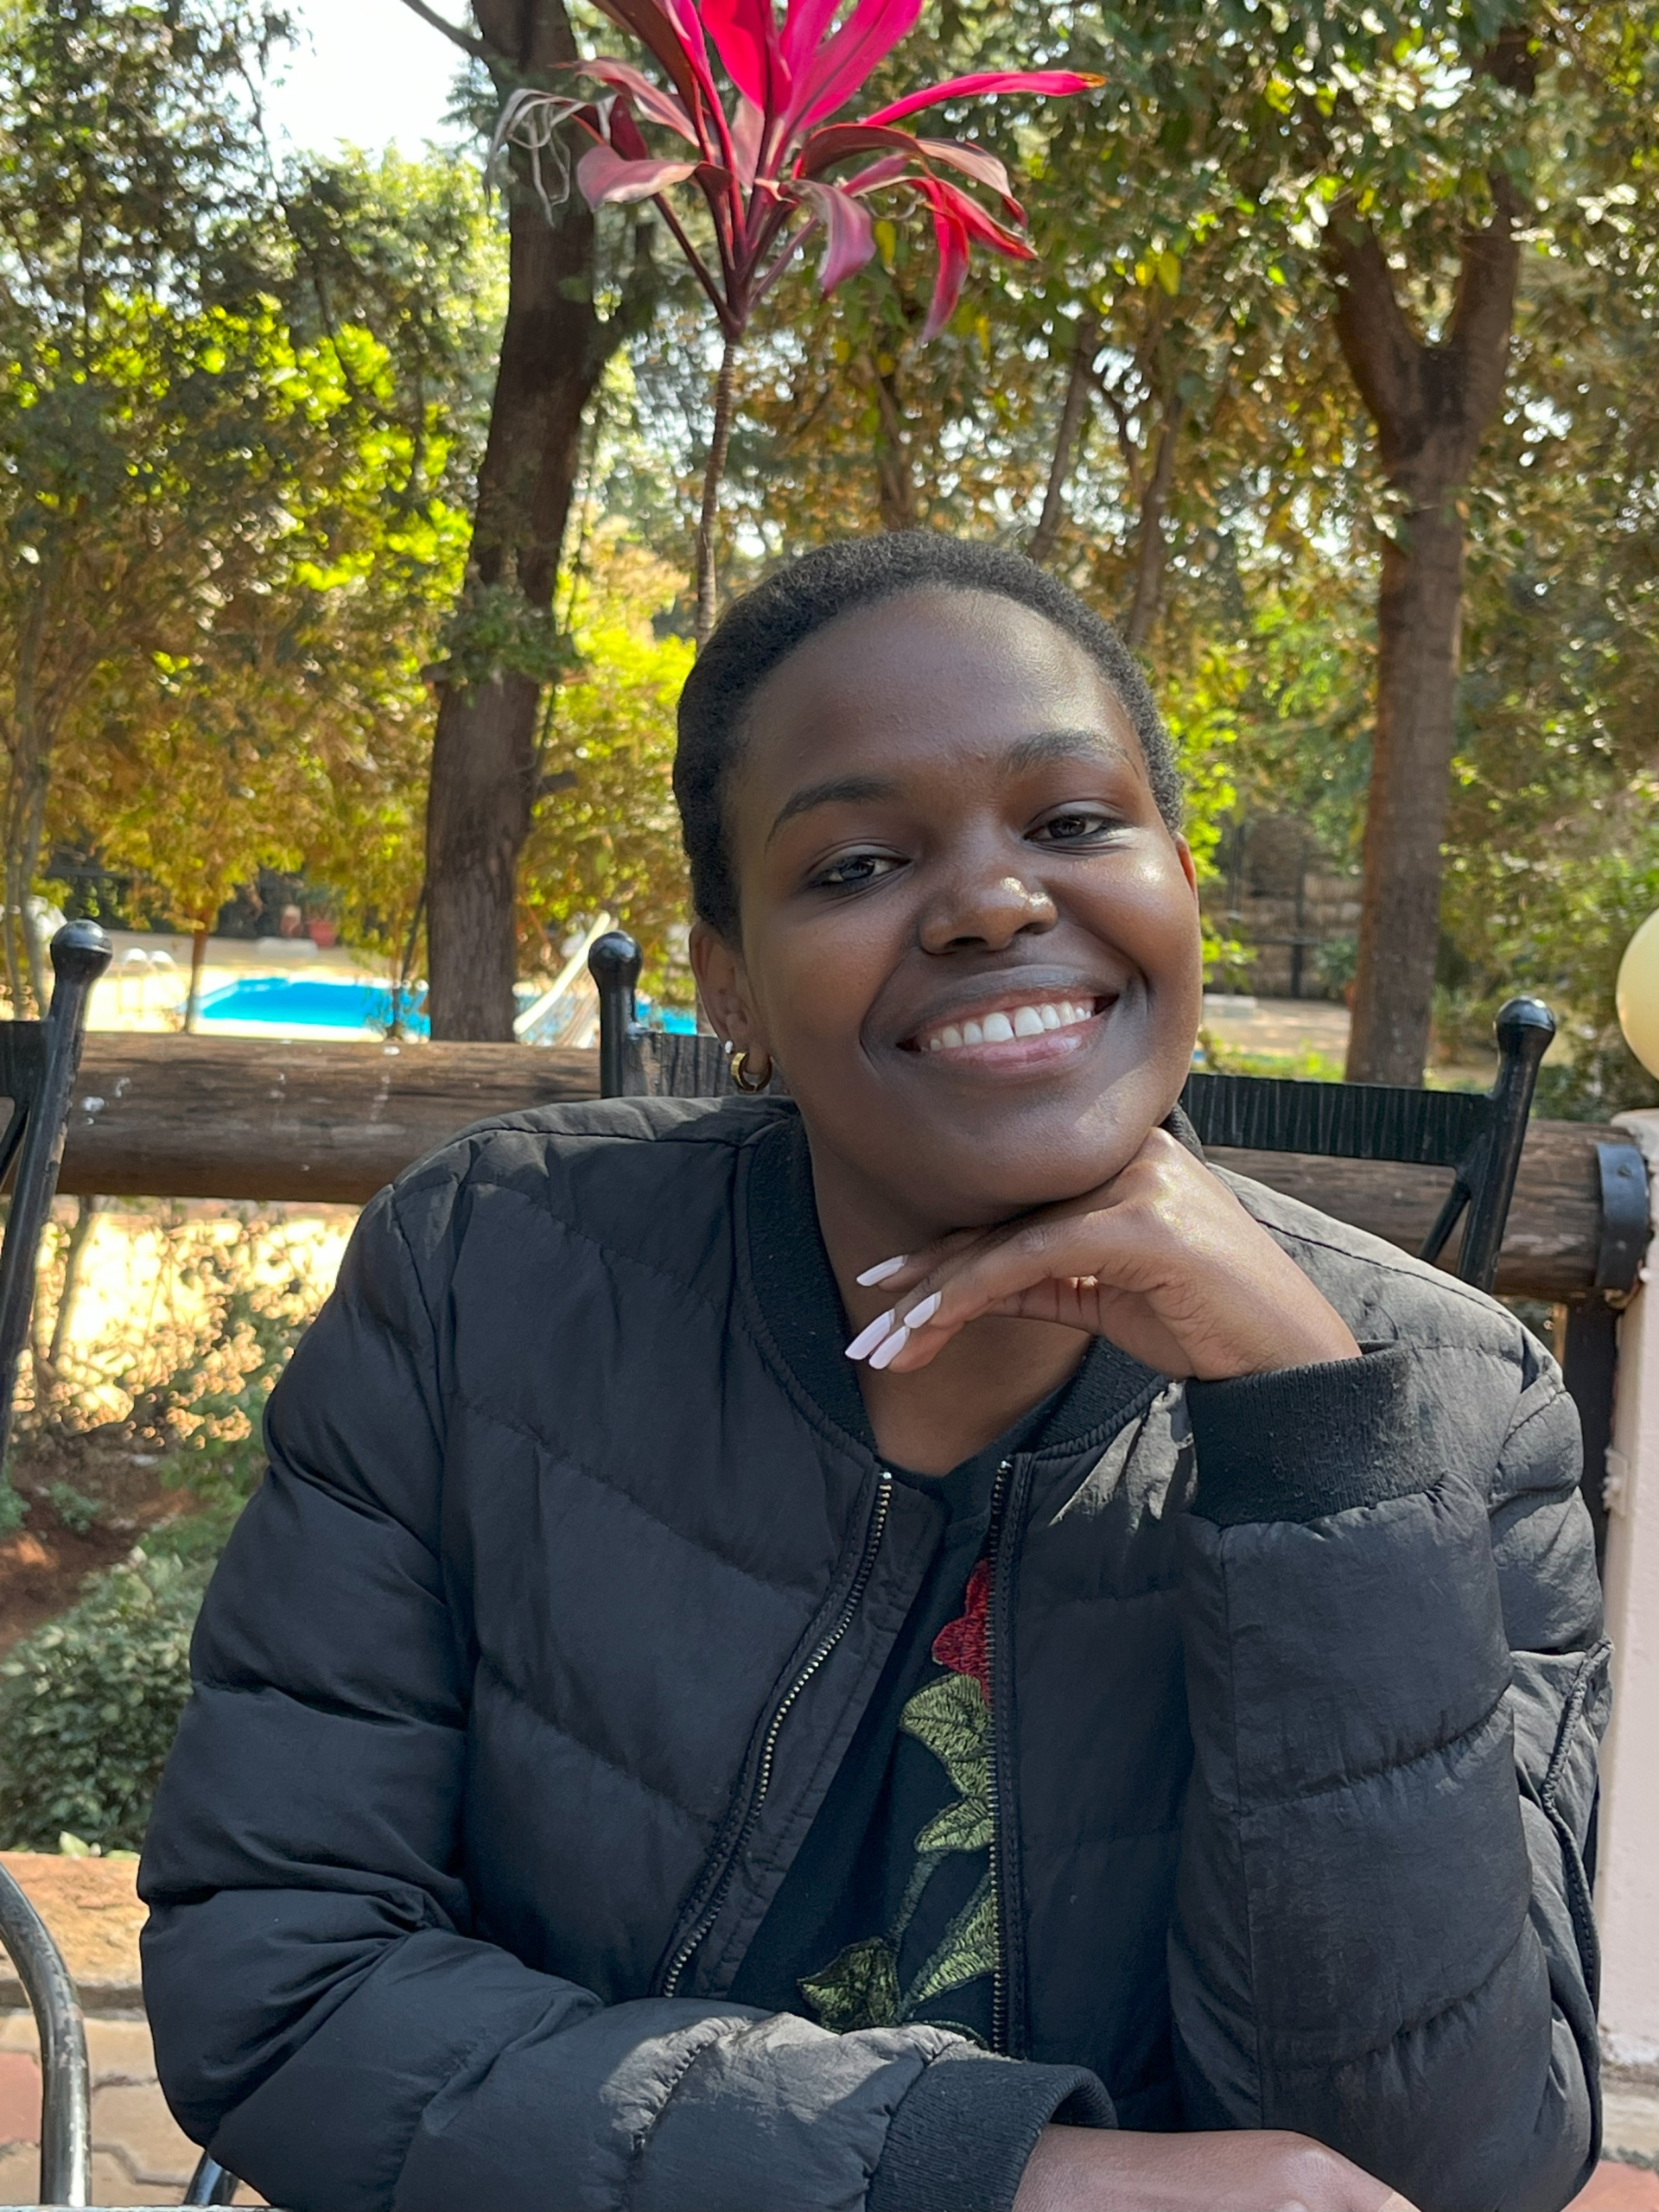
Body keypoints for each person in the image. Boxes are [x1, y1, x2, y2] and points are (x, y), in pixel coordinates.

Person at [139, 535, 1607, 2212]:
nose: (992, 897)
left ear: (1180, 883)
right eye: (855, 861)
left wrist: (1307, 1424)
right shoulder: (491, 1278)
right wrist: (990, 2175)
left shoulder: (1448, 1400)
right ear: (727, 972)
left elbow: (1440, 2170)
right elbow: (284, 1977)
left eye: (1071, 824)